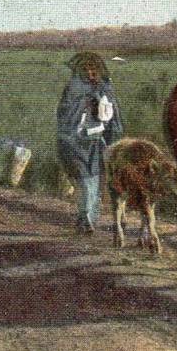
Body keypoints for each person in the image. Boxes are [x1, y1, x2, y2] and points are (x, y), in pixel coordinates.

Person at [57, 52, 124, 233]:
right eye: (86, 70)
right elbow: (66, 115)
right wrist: (87, 102)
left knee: (94, 181)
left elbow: (112, 118)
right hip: (77, 142)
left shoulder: (105, 88)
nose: (91, 73)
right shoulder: (74, 88)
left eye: (94, 70)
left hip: (96, 142)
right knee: (86, 182)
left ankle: (88, 219)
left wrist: (112, 140)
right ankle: (86, 219)